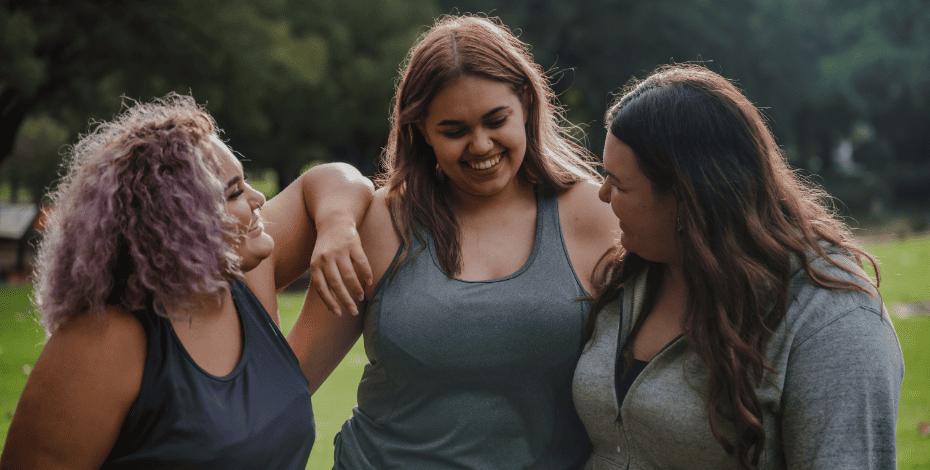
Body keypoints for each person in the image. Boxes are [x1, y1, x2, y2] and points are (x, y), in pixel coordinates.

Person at [286, 14, 619, 469]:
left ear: (526, 102)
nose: (480, 145)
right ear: (421, 129)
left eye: (495, 120)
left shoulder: (596, 216)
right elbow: (288, 384)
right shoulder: (378, 224)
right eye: (454, 130)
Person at [0, 93, 374, 469]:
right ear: (177, 226)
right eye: (234, 192)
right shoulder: (105, 339)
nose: (259, 198)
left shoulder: (245, 275)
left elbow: (337, 179)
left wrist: (336, 226)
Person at [572, 64, 904, 469]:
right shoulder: (632, 275)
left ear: (690, 197)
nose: (602, 196)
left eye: (619, 184)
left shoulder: (831, 321)